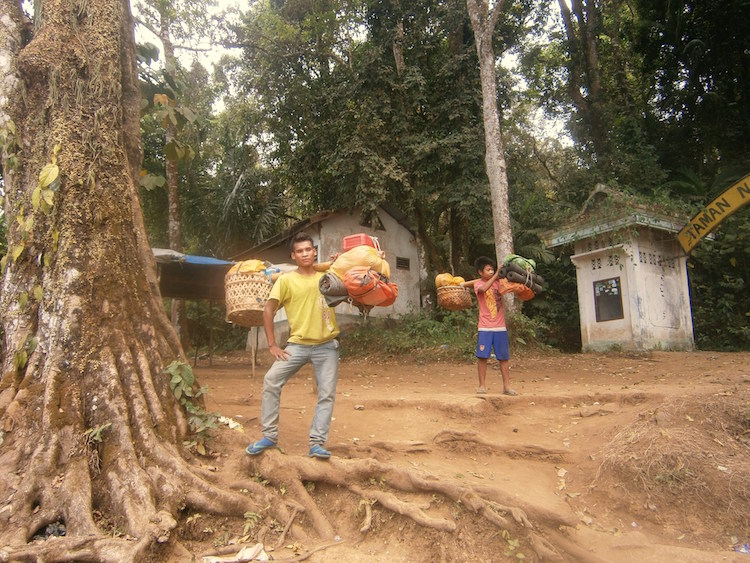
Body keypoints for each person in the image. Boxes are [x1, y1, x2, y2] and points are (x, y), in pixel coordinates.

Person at [245, 233, 340, 460]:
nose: (305, 254)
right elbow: (268, 310)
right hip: (296, 346)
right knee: (271, 380)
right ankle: (269, 436)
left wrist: (343, 262)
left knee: (326, 394)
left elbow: (356, 275)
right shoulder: (286, 280)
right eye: (300, 251)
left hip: (327, 346)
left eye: (308, 249)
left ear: (314, 251)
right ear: (293, 256)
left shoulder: (328, 275)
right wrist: (271, 345)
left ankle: (316, 444)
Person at [469, 256, 517, 396]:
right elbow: (483, 289)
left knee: (503, 357)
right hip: (485, 327)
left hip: (500, 327)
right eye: (488, 270)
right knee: (482, 357)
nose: (491, 272)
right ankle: (482, 386)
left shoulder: (499, 283)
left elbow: (511, 288)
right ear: (480, 272)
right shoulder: (478, 284)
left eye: (492, 269)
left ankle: (507, 387)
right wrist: (496, 274)